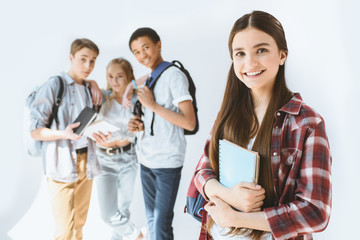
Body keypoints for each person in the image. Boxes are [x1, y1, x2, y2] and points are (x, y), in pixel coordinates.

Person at [193, 11, 332, 240]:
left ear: (282, 55)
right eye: (240, 53)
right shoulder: (228, 114)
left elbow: (315, 212)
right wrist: (229, 195)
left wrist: (235, 218)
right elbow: (201, 171)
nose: (249, 63)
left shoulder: (306, 123)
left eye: (261, 50)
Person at [127, 27, 196, 240]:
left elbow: (189, 122)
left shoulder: (173, 75)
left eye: (146, 47)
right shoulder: (149, 78)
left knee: (161, 222)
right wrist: (139, 125)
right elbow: (156, 121)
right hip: (146, 158)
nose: (142, 55)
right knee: (151, 219)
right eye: (136, 52)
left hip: (167, 162)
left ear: (158, 45)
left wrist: (152, 105)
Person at [30, 38, 102, 240]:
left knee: (79, 226)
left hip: (86, 162)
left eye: (93, 61)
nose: (88, 66)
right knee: (64, 231)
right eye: (83, 59)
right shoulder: (55, 84)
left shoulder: (89, 88)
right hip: (61, 164)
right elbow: (35, 131)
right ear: (71, 57)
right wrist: (64, 133)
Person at [92, 58, 144, 240]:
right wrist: (92, 82)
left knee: (122, 210)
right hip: (104, 161)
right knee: (108, 214)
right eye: (110, 76)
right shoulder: (102, 97)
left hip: (128, 158)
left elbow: (153, 77)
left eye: (120, 76)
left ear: (129, 76)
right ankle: (136, 235)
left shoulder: (137, 98)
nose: (114, 81)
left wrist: (131, 87)